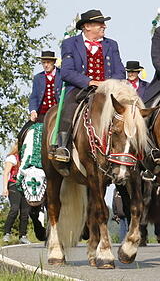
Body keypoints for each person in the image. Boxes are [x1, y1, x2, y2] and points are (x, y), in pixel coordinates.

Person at [51, 9, 125, 176]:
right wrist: (89, 82)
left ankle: (134, 152)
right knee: (69, 108)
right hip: (80, 89)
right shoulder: (70, 44)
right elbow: (67, 72)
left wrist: (108, 84)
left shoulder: (111, 45)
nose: (104, 26)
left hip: (107, 91)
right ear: (87, 26)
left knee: (128, 112)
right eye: (100, 24)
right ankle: (63, 147)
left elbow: (120, 71)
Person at [2, 143, 30, 244]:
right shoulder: (12, 158)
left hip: (25, 185)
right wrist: (5, 188)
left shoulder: (28, 158)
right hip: (14, 184)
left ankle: (23, 235)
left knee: (25, 212)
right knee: (14, 209)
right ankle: (7, 233)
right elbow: (6, 173)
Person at [28, 51, 63, 123]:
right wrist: (33, 111)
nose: (46, 65)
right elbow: (34, 97)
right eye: (43, 63)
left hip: (59, 112)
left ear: (54, 62)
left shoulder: (62, 75)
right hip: (42, 114)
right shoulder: (38, 77)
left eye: (48, 62)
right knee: (27, 129)